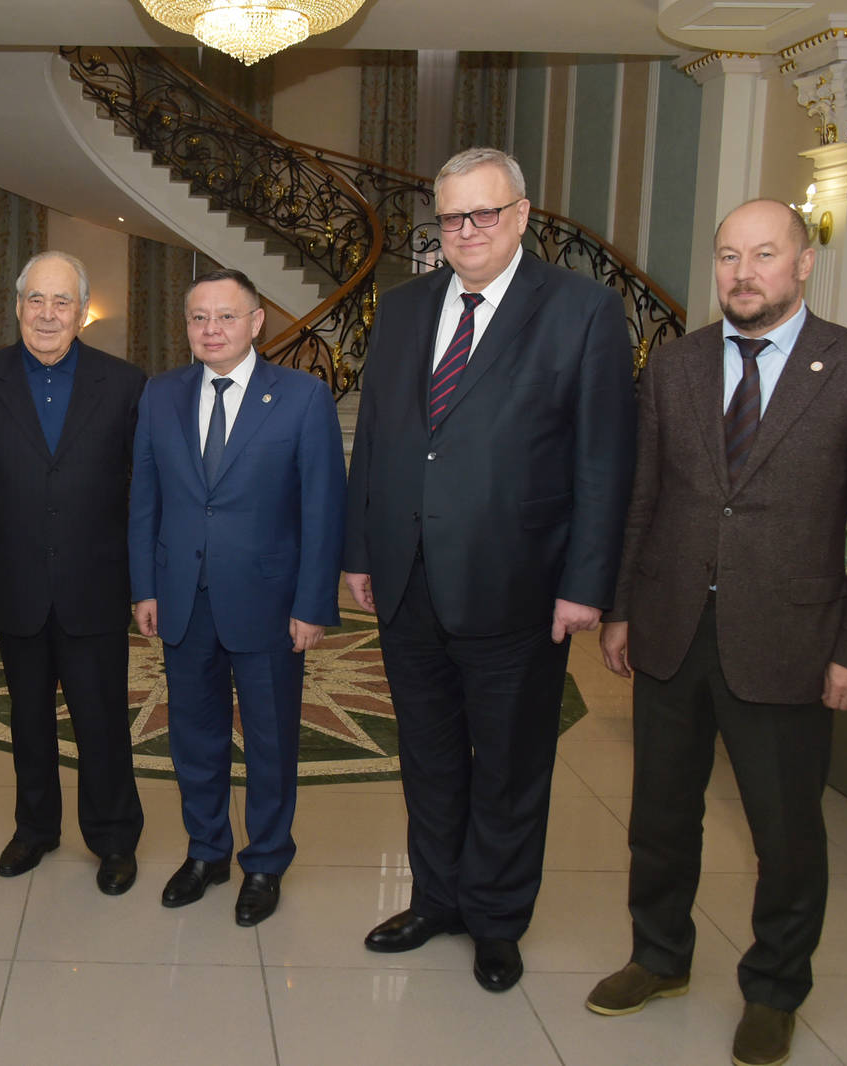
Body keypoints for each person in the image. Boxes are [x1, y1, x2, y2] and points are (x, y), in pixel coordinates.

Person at [585, 199, 847, 1066]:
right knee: (659, 819)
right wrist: (621, 608)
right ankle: (659, 956)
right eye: (729, 255)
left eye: (764, 254)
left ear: (803, 264)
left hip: (789, 642)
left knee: (785, 833)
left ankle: (774, 988)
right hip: (671, 631)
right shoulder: (676, 365)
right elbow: (643, 500)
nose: (743, 273)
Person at [344, 146, 636, 991]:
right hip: (407, 581)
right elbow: (378, 437)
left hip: (521, 588)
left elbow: (604, 461)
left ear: (522, 215)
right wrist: (359, 548)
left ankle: (497, 919)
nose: (466, 230)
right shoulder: (403, 308)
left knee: (510, 767)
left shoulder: (582, 311)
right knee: (428, 756)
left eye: (484, 212)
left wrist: (587, 584)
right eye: (451, 216)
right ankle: (437, 898)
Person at [129, 267, 345, 927]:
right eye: (199, 317)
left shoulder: (303, 397)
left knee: (271, 741)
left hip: (270, 604)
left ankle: (266, 862)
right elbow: (144, 499)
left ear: (256, 323)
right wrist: (144, 586)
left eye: (226, 316)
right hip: (182, 599)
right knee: (193, 737)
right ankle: (206, 852)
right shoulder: (160, 395)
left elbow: (323, 509)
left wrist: (313, 604)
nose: (211, 329)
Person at [0, 251, 146, 894]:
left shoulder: (125, 383)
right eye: (36, 300)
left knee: (102, 721)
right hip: (16, 581)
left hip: (94, 583)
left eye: (62, 301)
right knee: (27, 720)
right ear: (17, 306)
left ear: (82, 312)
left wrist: (146, 580)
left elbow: (145, 488)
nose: (47, 314)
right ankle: (35, 828)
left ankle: (114, 837)